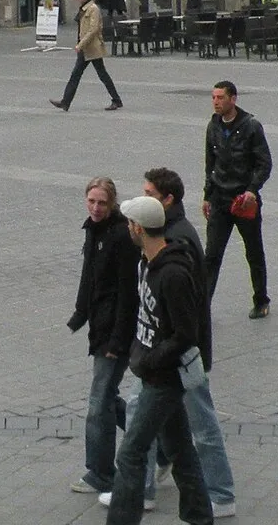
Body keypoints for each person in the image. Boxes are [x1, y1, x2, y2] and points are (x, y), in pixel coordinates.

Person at [102, 196, 213, 525]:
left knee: (132, 452)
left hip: (163, 379)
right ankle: (199, 516)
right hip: (154, 372)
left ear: (138, 228)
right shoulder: (146, 263)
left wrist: (150, 360)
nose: (126, 229)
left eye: (128, 224)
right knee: (181, 450)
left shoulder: (174, 275)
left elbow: (186, 333)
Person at [138, 169, 234, 518]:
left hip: (178, 353)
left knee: (200, 422)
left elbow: (186, 309)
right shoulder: (169, 231)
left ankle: (221, 493)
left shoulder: (177, 239)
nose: (145, 197)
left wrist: (164, 349)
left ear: (168, 199)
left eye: (150, 193)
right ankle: (146, 483)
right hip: (165, 350)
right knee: (150, 415)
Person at [67, 178, 137, 497]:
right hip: (100, 326)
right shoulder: (94, 230)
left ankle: (100, 473)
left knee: (99, 402)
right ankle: (163, 446)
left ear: (112, 204)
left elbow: (128, 293)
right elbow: (88, 276)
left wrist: (118, 341)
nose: (95, 208)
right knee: (108, 397)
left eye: (102, 203)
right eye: (91, 201)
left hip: (113, 333)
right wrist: (80, 313)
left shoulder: (121, 236)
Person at [200, 82, 271, 320]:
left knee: (253, 251)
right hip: (220, 200)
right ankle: (202, 305)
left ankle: (261, 300)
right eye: (213, 97)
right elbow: (210, 164)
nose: (216, 102)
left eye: (220, 97)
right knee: (211, 255)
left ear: (233, 99)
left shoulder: (251, 126)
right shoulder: (213, 126)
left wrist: (252, 189)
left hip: (244, 201)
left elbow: (264, 163)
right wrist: (207, 195)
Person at [53, 0, 124, 112]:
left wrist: (80, 45)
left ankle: (116, 100)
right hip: (86, 48)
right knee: (78, 74)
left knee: (100, 74)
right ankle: (65, 102)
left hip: (92, 47)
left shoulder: (93, 9)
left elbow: (93, 30)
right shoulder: (84, 9)